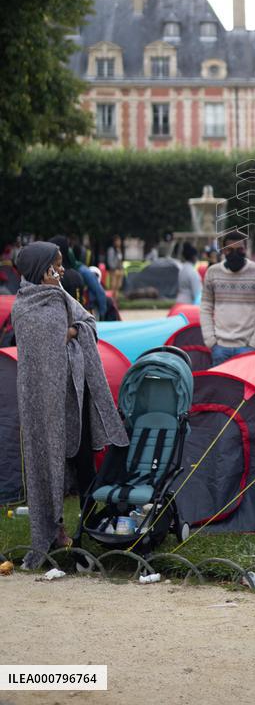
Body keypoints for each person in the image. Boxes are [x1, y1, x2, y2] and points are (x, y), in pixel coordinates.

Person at [12, 242, 128, 569]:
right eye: (57, 265)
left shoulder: (62, 296)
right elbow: (41, 350)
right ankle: (52, 530)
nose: (62, 270)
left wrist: (76, 330)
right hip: (43, 404)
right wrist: (61, 336)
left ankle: (87, 528)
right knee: (47, 465)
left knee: (83, 465)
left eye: (62, 264)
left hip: (75, 397)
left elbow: (88, 321)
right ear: (41, 269)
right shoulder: (24, 307)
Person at [200, 230, 255, 365]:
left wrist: (254, 344)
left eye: (239, 249)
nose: (235, 254)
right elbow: (205, 308)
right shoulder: (212, 273)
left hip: (247, 347)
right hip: (219, 348)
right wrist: (211, 342)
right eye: (229, 250)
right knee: (221, 386)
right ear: (223, 251)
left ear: (246, 249)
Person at [106, 235, 124, 299]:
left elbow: (120, 260)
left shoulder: (119, 250)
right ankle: (112, 301)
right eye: (118, 241)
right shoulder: (111, 250)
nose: (119, 242)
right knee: (112, 287)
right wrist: (114, 268)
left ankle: (116, 301)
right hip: (114, 271)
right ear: (114, 242)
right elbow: (110, 261)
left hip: (119, 270)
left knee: (118, 287)